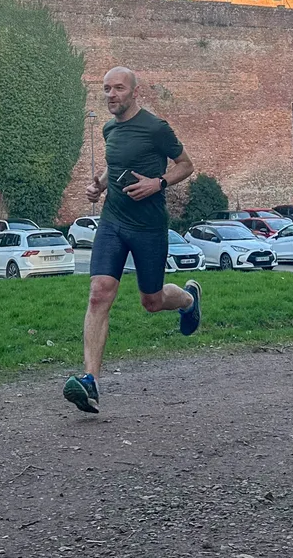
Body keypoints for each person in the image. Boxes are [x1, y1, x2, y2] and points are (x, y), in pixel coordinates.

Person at [63, 67, 200, 414]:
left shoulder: (156, 128)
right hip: (113, 222)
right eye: (106, 89)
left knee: (151, 301)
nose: (111, 95)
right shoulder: (109, 128)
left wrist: (159, 183)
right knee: (99, 293)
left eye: (118, 88)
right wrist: (99, 186)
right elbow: (114, 167)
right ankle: (90, 382)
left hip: (149, 227)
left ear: (134, 92)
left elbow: (186, 165)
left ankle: (187, 299)